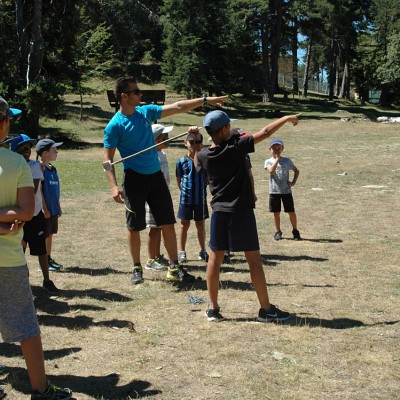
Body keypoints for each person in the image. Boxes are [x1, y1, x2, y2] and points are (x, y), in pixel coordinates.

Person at [103, 76, 227, 285]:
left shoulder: (145, 112)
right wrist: (114, 186)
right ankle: (136, 268)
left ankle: (174, 268)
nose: (140, 94)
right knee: (134, 227)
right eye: (136, 91)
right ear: (124, 96)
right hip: (134, 179)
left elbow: (178, 106)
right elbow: (107, 160)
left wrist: (205, 100)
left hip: (155, 177)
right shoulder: (114, 126)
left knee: (168, 223)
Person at [196, 109, 300, 322]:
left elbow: (199, 160)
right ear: (224, 128)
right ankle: (266, 309)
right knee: (254, 261)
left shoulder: (203, 155)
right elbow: (265, 132)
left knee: (214, 261)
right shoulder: (237, 148)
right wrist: (286, 118)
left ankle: (213, 308)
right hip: (241, 211)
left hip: (219, 212)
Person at [0, 97, 72, 400]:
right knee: (26, 326)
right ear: (4, 123)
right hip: (8, 259)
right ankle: (41, 389)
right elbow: (27, 212)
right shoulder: (17, 163)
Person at [11, 134, 60, 295]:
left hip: (35, 214)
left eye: (29, 148)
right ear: (14, 150)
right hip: (17, 214)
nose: (26, 151)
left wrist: (45, 208)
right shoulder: (12, 167)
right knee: (18, 250)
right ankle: (21, 282)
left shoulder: (34, 167)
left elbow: (33, 190)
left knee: (41, 250)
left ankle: (47, 280)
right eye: (22, 148)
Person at [176, 126, 209, 263]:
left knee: (200, 224)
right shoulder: (181, 162)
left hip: (200, 199)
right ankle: (182, 251)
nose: (194, 145)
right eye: (191, 142)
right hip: (186, 199)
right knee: (184, 225)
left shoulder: (203, 159)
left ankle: (202, 250)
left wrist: (197, 135)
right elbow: (179, 180)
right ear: (185, 143)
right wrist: (184, 191)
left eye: (197, 142)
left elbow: (207, 178)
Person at [145, 124, 174, 271]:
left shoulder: (162, 154)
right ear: (156, 140)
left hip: (163, 195)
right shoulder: (152, 156)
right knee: (154, 229)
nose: (167, 139)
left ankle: (157, 255)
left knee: (161, 227)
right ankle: (151, 259)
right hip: (153, 198)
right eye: (164, 137)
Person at [35, 139, 64, 271]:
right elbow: (39, 190)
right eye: (54, 150)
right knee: (45, 235)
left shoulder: (53, 169)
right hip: (45, 209)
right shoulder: (40, 169)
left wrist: (57, 206)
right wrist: (44, 208)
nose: (57, 152)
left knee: (50, 233)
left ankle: (48, 257)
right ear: (45, 153)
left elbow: (55, 190)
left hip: (53, 208)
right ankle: (43, 262)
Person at [265, 138, 301, 240]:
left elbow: (296, 171)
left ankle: (295, 230)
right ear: (270, 149)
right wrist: (277, 159)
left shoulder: (287, 161)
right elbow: (271, 171)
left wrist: (293, 182)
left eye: (278, 148)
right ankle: (278, 231)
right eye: (274, 148)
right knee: (276, 212)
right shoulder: (268, 161)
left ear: (282, 148)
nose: (276, 150)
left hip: (286, 191)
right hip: (274, 191)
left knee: (291, 211)